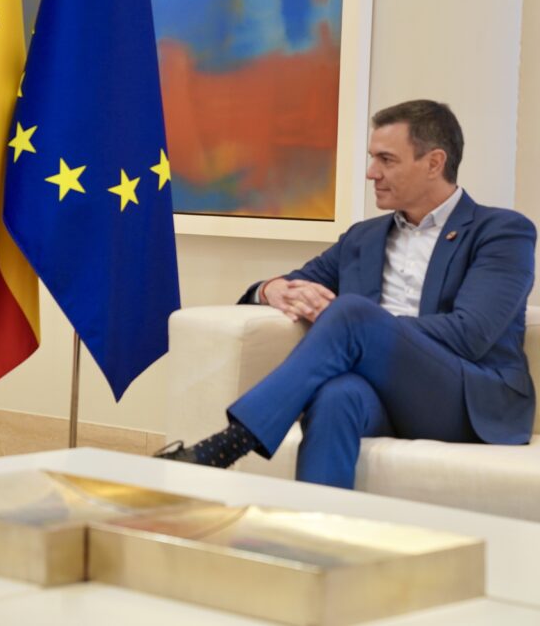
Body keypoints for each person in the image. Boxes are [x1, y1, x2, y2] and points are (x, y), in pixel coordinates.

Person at [156, 99, 536, 488]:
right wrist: (271, 289)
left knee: (353, 314)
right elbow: (300, 282)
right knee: (337, 396)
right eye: (372, 158)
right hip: (383, 396)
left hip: (468, 400)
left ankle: (229, 444)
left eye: (386, 160)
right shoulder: (363, 238)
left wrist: (370, 331)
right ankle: (318, 522)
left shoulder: (501, 232)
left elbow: (470, 334)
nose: (372, 173)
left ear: (434, 163)